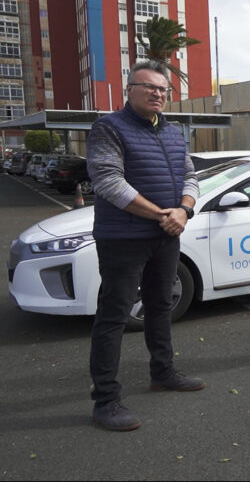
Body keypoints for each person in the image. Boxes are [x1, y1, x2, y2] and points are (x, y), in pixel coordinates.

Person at [86, 60, 205, 431]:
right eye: (149, 87)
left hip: (166, 236)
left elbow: (190, 176)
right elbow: (108, 181)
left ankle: (163, 372)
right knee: (115, 316)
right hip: (123, 238)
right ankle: (105, 400)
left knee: (160, 306)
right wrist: (161, 215)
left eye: (163, 90)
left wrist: (184, 210)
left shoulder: (171, 131)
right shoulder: (109, 127)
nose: (157, 94)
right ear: (130, 90)